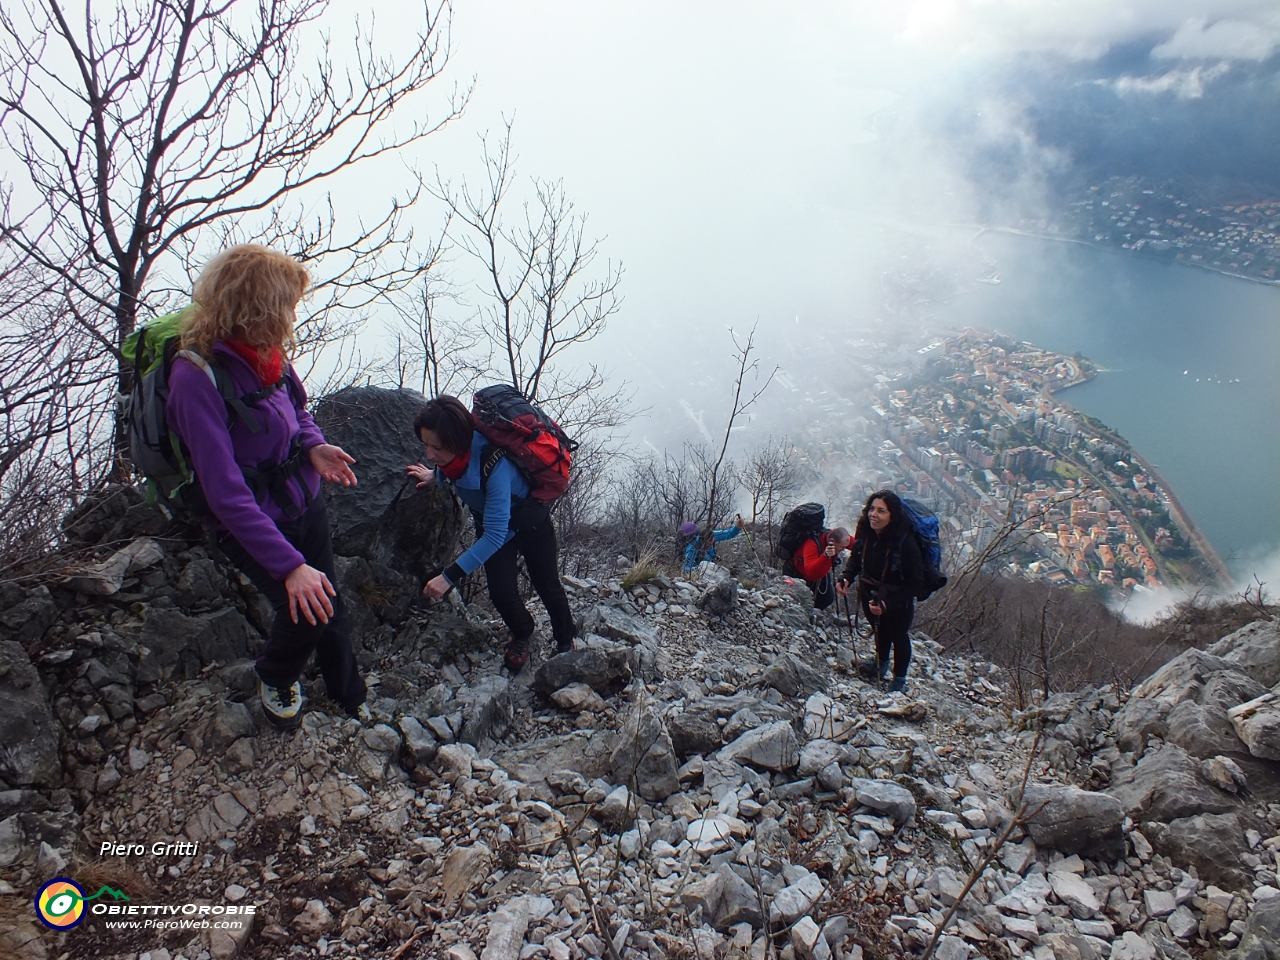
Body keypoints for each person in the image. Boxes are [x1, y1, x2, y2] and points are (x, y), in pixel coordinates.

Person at [167, 244, 367, 727]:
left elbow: (297, 409)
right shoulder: (196, 379)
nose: (292, 315)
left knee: (330, 605)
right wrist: (290, 565)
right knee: (306, 612)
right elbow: (225, 492)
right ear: (258, 306)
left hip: (303, 502)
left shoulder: (266, 352)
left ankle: (350, 696)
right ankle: (276, 675)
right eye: (287, 304)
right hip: (251, 522)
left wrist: (315, 448)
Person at [407, 396, 576, 671]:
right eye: (426, 445)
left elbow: (494, 536)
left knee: (547, 585)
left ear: (458, 441)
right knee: (501, 592)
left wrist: (447, 577)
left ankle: (566, 640)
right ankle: (523, 632)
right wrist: (435, 475)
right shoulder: (454, 456)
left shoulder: (496, 466)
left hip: (528, 522)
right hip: (497, 526)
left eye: (436, 447)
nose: (429, 454)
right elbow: (456, 468)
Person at [836, 490, 922, 694]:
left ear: (892, 515)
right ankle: (880, 665)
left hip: (897, 600)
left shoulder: (906, 543)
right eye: (872, 509)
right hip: (870, 592)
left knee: (899, 636)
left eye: (881, 511)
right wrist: (847, 577)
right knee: (880, 629)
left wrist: (888, 604)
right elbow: (856, 558)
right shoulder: (866, 533)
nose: (874, 514)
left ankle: (899, 680)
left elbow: (915, 583)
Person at [790, 526, 852, 611]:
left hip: (818, 571)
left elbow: (856, 543)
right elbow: (811, 572)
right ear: (832, 541)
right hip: (798, 573)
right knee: (802, 602)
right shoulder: (811, 543)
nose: (843, 550)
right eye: (841, 547)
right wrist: (826, 556)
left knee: (826, 598)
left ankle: (814, 615)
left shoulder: (834, 536)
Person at [680, 517, 745, 573]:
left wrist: (737, 527)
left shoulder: (712, 534)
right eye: (708, 544)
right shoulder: (693, 548)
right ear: (702, 541)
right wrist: (702, 569)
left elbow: (728, 534)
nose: (711, 546)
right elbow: (686, 568)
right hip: (700, 569)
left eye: (712, 543)